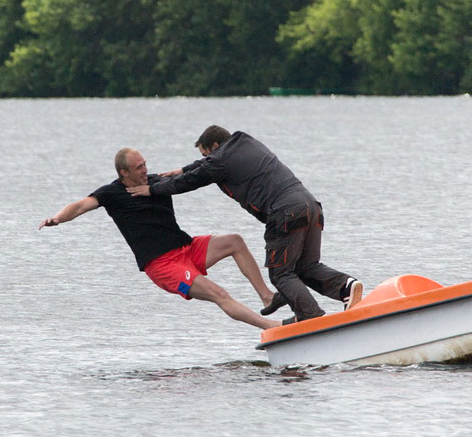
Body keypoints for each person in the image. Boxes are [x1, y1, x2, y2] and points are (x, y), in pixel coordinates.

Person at [130, 126, 362, 324]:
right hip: (311, 206)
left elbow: (193, 180)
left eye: (206, 154)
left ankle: (311, 320)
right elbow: (202, 166)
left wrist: (152, 189)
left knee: (281, 274)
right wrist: (183, 169)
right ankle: (346, 287)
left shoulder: (219, 161)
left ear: (216, 145)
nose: (206, 160)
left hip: (285, 213)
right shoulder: (246, 142)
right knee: (306, 267)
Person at [40, 147, 279, 331]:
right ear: (124, 173)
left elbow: (193, 174)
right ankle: (273, 328)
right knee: (219, 294)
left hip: (187, 249)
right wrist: (57, 219)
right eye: (138, 168)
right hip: (164, 267)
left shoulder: (156, 182)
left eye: (145, 164)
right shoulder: (111, 193)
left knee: (234, 241)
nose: (144, 170)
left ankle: (266, 296)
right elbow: (81, 206)